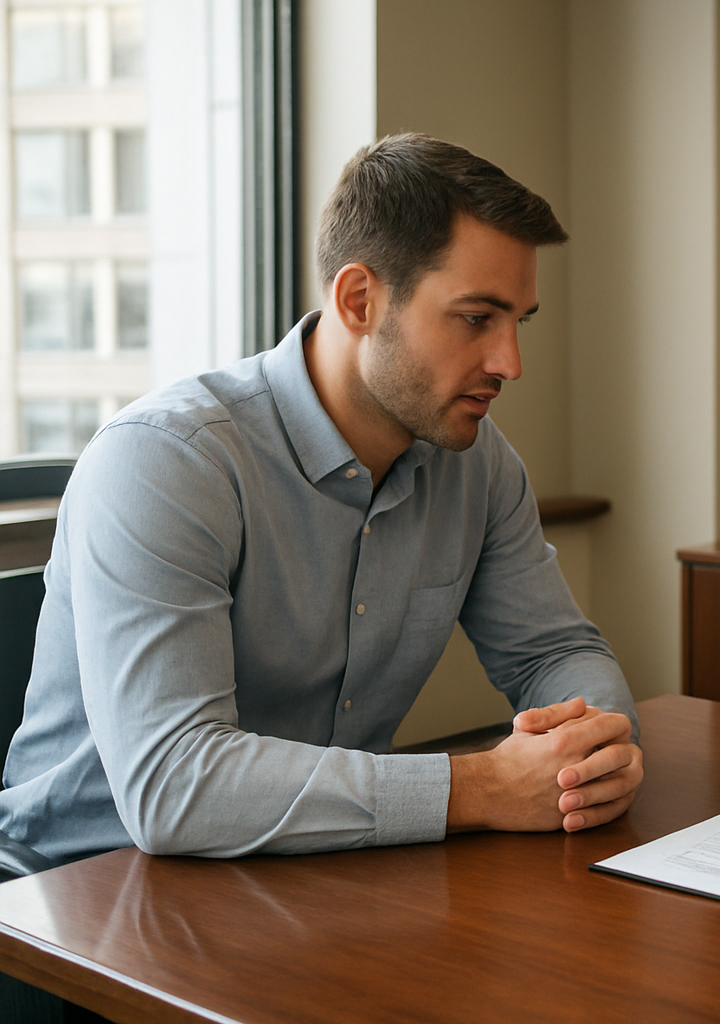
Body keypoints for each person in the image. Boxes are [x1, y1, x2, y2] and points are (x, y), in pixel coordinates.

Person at [0, 134, 643, 865]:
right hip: (84, 896)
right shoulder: (166, 461)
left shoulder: (477, 466)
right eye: (475, 318)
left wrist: (591, 755)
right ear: (359, 299)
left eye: (517, 323)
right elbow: (174, 787)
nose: (510, 363)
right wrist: (483, 786)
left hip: (313, 874)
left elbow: (556, 652)